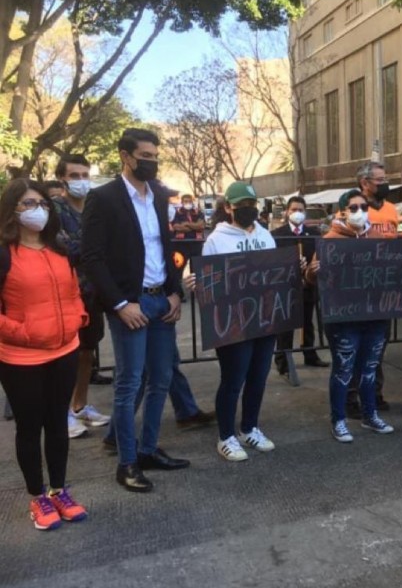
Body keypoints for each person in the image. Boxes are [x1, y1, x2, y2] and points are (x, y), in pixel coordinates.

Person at [82, 128, 189, 493]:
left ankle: (147, 450)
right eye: (145, 155)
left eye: (155, 155)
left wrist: (176, 292)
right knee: (129, 384)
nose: (152, 161)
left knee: (160, 379)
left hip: (163, 300)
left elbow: (167, 246)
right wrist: (118, 304)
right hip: (130, 303)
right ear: (125, 156)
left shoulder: (158, 196)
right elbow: (92, 257)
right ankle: (126, 462)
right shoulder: (104, 198)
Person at [0, 179, 89, 530]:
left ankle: (58, 491)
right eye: (26, 203)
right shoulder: (4, 253)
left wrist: (78, 317)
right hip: (21, 357)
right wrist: (22, 332)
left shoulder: (59, 249)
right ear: (11, 210)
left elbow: (72, 292)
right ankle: (37, 497)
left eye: (41, 202)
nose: (36, 209)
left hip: (64, 349)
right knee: (29, 426)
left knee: (57, 424)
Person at [189, 181, 280, 461]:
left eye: (251, 204)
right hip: (232, 322)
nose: (247, 210)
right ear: (228, 208)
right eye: (240, 205)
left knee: (258, 377)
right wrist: (198, 283)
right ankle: (226, 435)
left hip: (264, 318)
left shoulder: (266, 236)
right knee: (233, 379)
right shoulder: (216, 239)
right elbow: (212, 279)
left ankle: (250, 427)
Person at [305, 189, 394, 443]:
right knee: (343, 370)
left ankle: (370, 414)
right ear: (341, 211)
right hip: (343, 320)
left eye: (363, 207)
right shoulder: (330, 240)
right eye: (353, 208)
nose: (360, 212)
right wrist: (312, 272)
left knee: (370, 368)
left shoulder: (377, 237)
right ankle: (339, 419)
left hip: (375, 316)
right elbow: (311, 279)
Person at [52, 154, 112, 439]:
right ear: (62, 178)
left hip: (92, 292)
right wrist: (94, 250)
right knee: (67, 354)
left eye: (84, 174)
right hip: (65, 294)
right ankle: (60, 413)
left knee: (88, 351)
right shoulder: (54, 210)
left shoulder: (94, 207)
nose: (80, 180)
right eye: (74, 175)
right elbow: (66, 249)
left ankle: (80, 405)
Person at [346, 162, 398, 418]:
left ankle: (375, 393)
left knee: (379, 344)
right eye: (380, 179)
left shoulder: (391, 210)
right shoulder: (352, 209)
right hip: (359, 288)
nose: (384, 183)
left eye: (385, 178)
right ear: (365, 183)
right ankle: (351, 396)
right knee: (357, 346)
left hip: (384, 287)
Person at [272, 196, 329, 375]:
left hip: (307, 285)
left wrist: (309, 272)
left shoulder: (313, 234)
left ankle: (309, 354)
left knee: (307, 321)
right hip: (285, 287)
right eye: (294, 209)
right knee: (286, 326)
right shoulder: (277, 235)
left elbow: (319, 258)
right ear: (287, 212)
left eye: (301, 210)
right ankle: (283, 360)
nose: (297, 213)